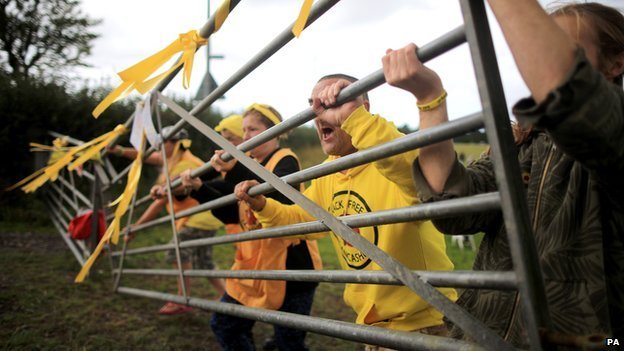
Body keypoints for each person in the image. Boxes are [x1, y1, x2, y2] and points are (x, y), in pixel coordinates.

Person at [385, 1, 624, 345]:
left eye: (561, 48)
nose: (535, 58)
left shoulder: (615, 135)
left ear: (616, 62)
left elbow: (575, 100)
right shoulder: (518, 143)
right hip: (486, 335)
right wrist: (430, 99)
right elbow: (452, 204)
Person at [233, 74, 457, 349]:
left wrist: (355, 118)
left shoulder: (391, 155)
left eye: (333, 102)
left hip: (424, 324)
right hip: (371, 326)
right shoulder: (329, 173)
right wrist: (262, 204)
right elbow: (299, 220)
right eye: (314, 106)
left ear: (362, 108)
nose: (320, 114)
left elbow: (421, 175)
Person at [179, 105, 322, 351]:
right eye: (244, 130)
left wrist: (235, 168)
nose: (245, 136)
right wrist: (198, 187)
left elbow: (279, 198)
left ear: (274, 132)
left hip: (293, 267)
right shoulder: (249, 163)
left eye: (253, 129)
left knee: (289, 342)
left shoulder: (285, 159)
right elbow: (231, 214)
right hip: (255, 264)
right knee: (225, 324)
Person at [113, 126, 226, 315]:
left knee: (176, 251)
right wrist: (121, 151)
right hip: (203, 216)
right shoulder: (174, 158)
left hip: (198, 217)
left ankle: (183, 298)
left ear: (173, 143)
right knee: (204, 263)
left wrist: (136, 227)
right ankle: (227, 296)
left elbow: (160, 202)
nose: (157, 150)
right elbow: (148, 157)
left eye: (160, 145)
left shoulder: (183, 166)